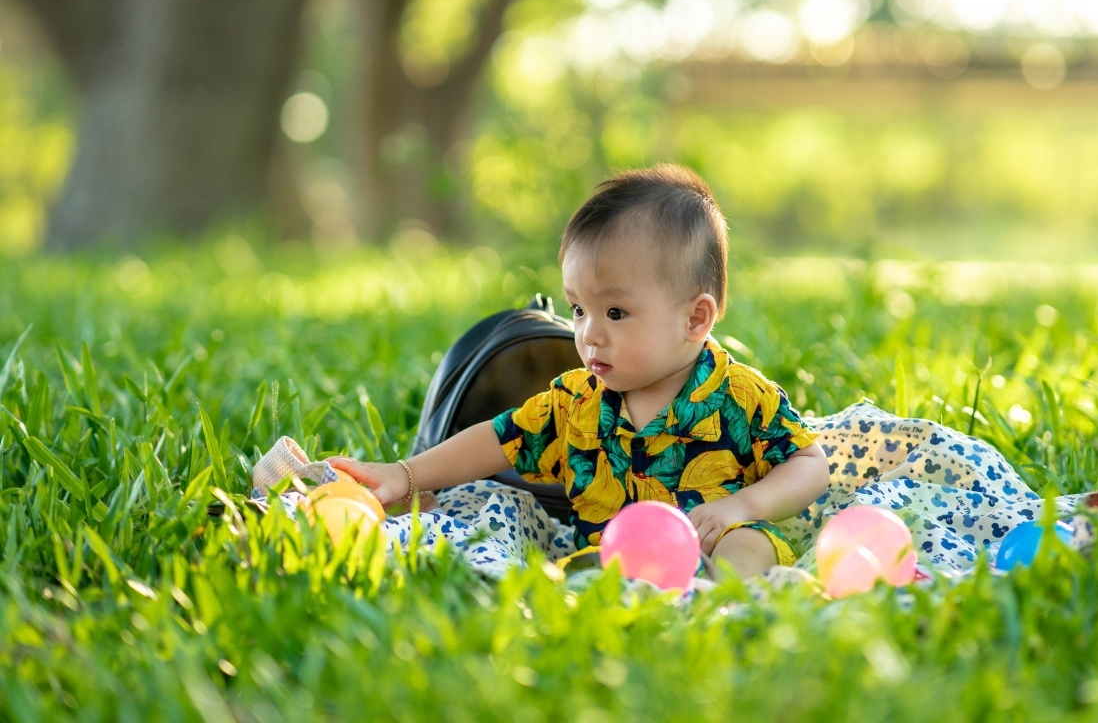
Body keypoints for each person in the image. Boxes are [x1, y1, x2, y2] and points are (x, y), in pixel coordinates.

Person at [332, 164, 830, 578]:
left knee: (748, 547)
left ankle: (718, 602)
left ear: (695, 318)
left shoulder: (741, 395)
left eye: (614, 313)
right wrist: (405, 475)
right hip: (607, 553)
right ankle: (612, 592)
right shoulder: (575, 401)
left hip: (713, 539)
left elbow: (809, 463)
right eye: (577, 309)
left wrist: (743, 507)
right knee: (536, 542)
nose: (588, 333)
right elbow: (497, 439)